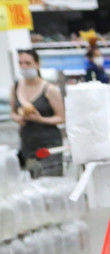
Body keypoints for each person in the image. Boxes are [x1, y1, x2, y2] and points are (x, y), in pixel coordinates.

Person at [10, 50, 64, 178]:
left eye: (28, 63)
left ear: (37, 64)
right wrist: (19, 118)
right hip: (27, 144)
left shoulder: (49, 89)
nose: (23, 66)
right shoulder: (15, 87)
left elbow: (61, 118)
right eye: (20, 63)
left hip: (48, 145)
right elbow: (12, 112)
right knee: (32, 184)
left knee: (50, 182)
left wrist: (41, 119)